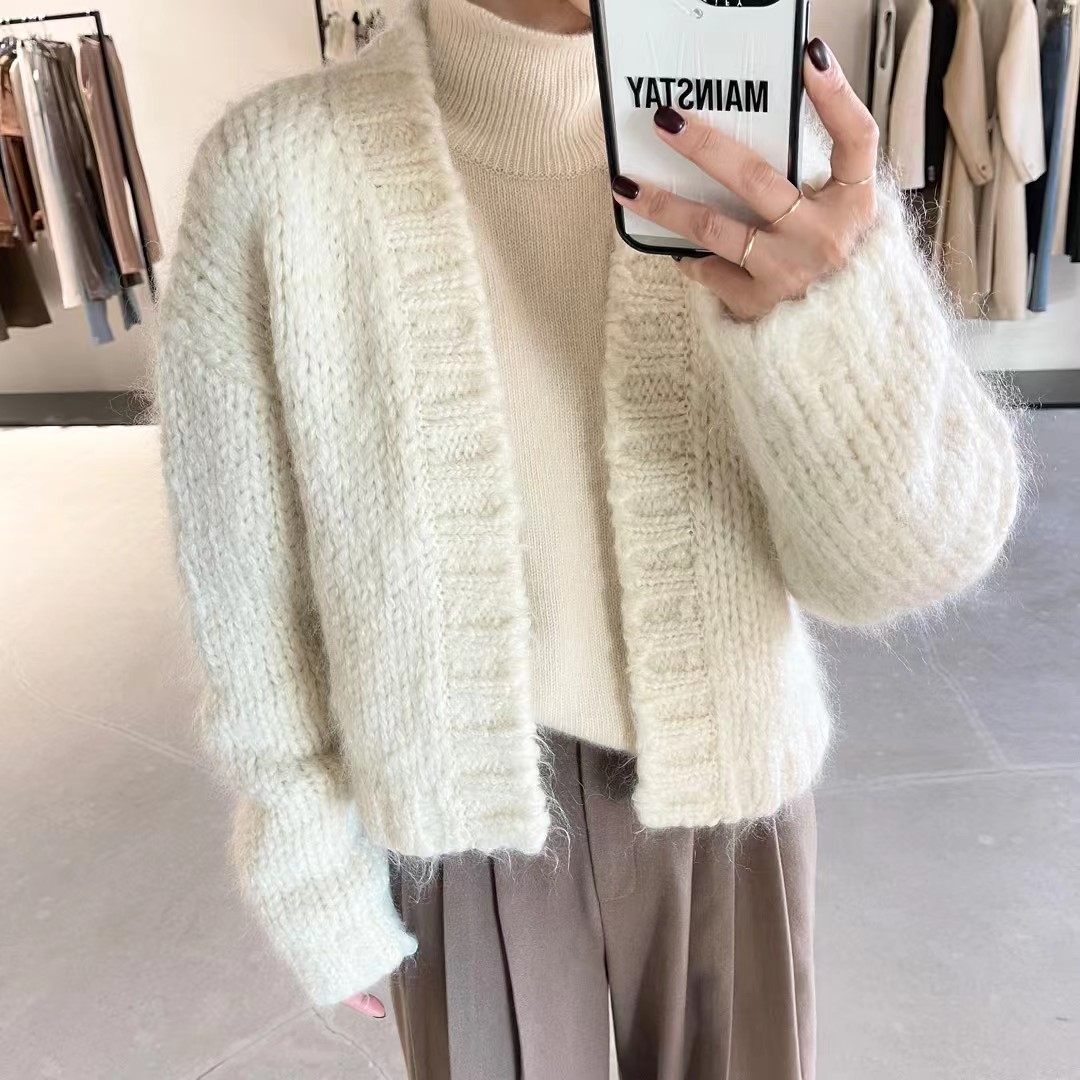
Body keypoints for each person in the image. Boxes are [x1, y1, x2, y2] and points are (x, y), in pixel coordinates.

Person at [153, 0, 1021, 1076]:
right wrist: (305, 854)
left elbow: (907, 564)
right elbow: (244, 581)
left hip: (727, 784)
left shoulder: (761, 140)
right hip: (457, 806)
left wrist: (837, 316)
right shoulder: (277, 170)